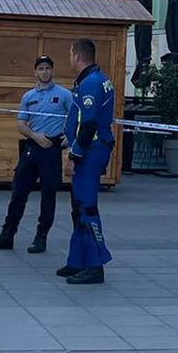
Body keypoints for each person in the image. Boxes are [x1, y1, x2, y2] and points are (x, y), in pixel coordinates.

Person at [0, 55, 69, 255]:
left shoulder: (64, 95)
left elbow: (76, 118)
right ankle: (7, 234)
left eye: (48, 68)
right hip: (32, 146)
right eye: (41, 68)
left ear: (52, 70)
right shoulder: (28, 96)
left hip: (52, 147)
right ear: (35, 72)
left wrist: (70, 139)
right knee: (18, 192)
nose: (44, 72)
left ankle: (41, 237)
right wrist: (34, 136)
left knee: (48, 195)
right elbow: (21, 124)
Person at [58, 37, 115, 286]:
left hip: (90, 151)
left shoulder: (91, 83)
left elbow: (89, 123)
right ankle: (77, 260)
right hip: (91, 148)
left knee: (87, 207)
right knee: (78, 207)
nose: (69, 58)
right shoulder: (94, 79)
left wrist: (74, 154)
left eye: (70, 54)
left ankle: (95, 265)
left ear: (77, 56)